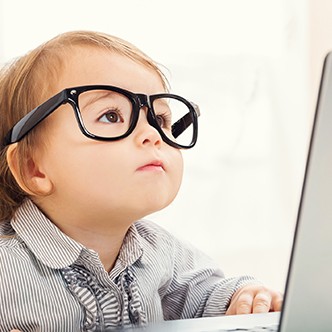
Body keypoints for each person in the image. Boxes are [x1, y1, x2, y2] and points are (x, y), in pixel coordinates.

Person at [0, 30, 282, 332]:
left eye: (160, 120)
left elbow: (206, 297)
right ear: (34, 168)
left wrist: (243, 296)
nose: (152, 135)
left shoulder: (160, 249)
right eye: (111, 116)